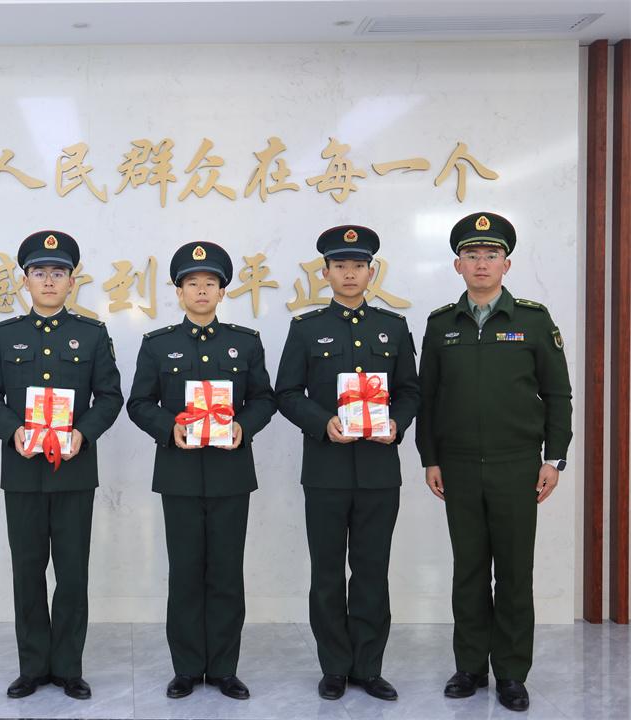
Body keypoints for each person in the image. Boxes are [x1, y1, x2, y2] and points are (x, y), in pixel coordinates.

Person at [416, 211, 572, 713]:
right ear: (457, 265)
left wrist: (554, 458)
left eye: (491, 255)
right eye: (471, 255)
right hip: (458, 465)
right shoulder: (441, 324)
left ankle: (510, 672)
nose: (481, 263)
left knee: (514, 572)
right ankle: (469, 667)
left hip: (516, 465)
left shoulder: (532, 320)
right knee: (468, 570)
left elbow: (558, 393)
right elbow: (428, 398)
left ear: (506, 264)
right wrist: (430, 457)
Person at [0, 230, 124, 700]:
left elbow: (110, 396)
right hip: (21, 472)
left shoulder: (92, 334)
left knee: (72, 574)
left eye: (59, 272)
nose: (49, 280)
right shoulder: (5, 335)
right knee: (28, 572)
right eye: (40, 272)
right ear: (25, 280)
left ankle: (69, 668)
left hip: (74, 471)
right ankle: (33, 667)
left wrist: (84, 432)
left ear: (72, 281)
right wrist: (11, 429)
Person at [275, 225, 420, 702]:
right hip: (326, 471)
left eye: (359, 265)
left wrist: (397, 422)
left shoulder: (393, 327)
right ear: (326, 273)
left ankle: (369, 667)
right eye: (340, 265)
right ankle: (335, 666)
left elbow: (410, 391)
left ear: (371, 272)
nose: (350, 273)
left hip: (379, 471)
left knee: (373, 571)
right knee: (327, 574)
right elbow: (286, 392)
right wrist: (322, 422)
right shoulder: (305, 329)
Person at [126, 241, 276, 700]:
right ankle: (187, 668)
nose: (202, 290)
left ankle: (225, 668)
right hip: (180, 475)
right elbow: (139, 402)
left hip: (231, 473)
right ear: (179, 291)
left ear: (223, 291)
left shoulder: (245, 342)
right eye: (193, 283)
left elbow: (264, 398)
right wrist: (169, 428)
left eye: (211, 283)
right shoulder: (158, 345)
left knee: (227, 573)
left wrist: (243, 427)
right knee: (186, 573)